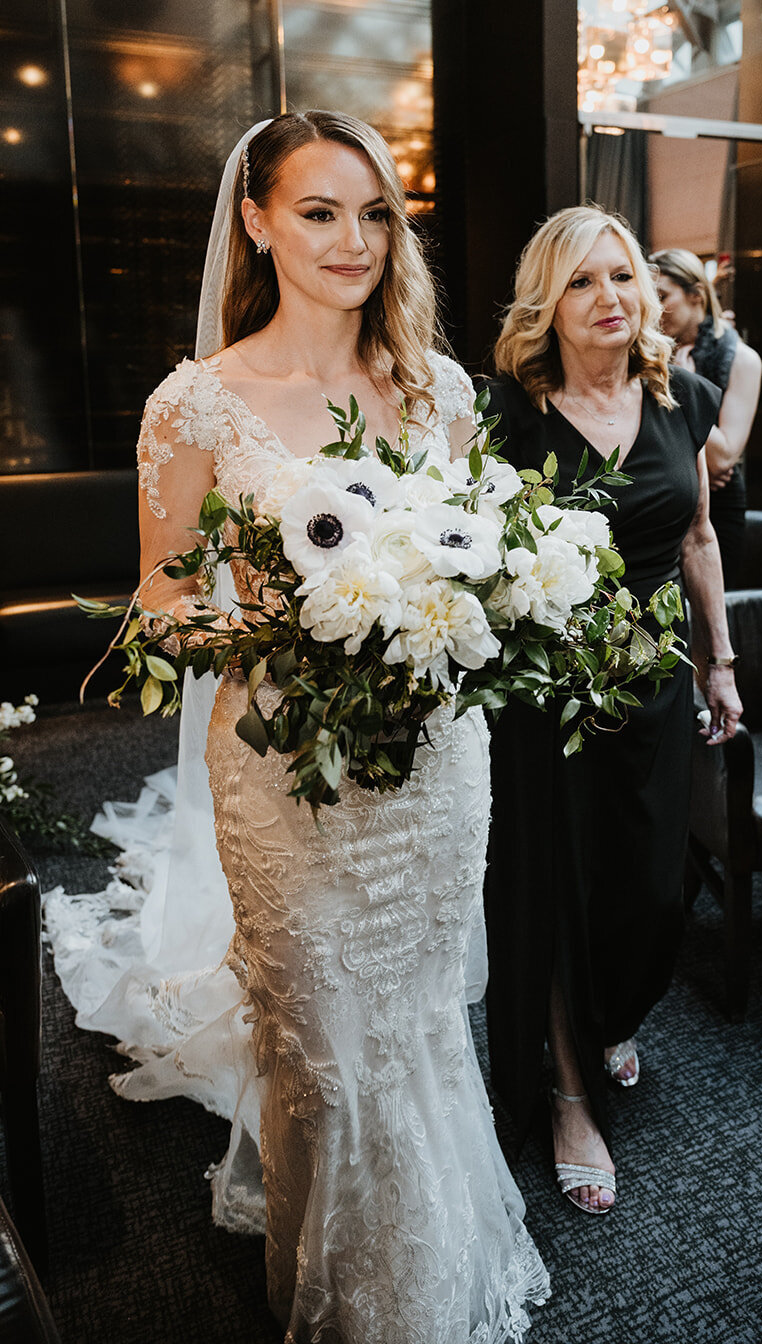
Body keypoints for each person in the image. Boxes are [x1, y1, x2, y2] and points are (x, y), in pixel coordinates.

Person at [54, 113, 550, 1341]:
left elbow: (477, 556)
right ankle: (341, 1305)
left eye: (375, 213)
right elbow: (161, 610)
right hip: (285, 768)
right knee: (321, 1043)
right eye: (320, 211)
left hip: (434, 763)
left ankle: (432, 1277)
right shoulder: (197, 404)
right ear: (258, 222)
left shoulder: (435, 388)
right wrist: (288, 635)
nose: (354, 240)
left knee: (424, 1019)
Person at [484, 206, 742, 1215]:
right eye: (581, 282)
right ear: (547, 300)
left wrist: (718, 662)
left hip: (653, 678)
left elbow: (697, 538)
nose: (607, 300)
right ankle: (564, 1091)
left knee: (650, 886)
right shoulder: (506, 408)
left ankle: (609, 1008)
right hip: (544, 690)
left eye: (622, 277)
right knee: (557, 886)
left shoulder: (680, 392)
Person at [651, 247, 762, 587]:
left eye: (662, 296)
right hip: (661, 494)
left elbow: (723, 456)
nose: (652, 308)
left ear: (696, 294)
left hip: (718, 508)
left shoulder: (742, 359)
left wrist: (680, 385)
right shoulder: (643, 356)